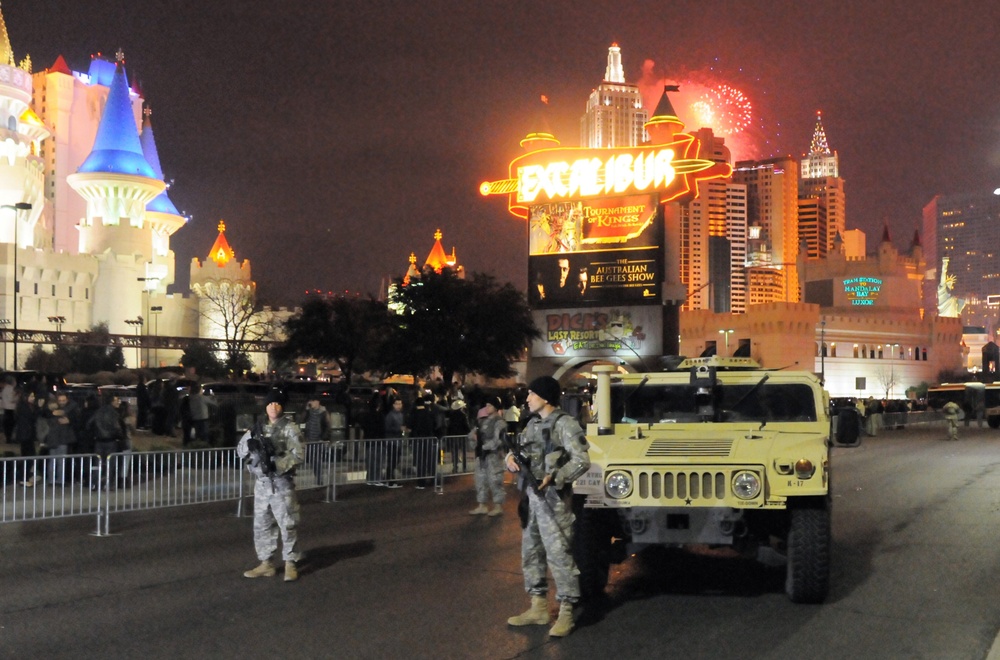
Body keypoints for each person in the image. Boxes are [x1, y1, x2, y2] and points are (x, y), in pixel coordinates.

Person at [505, 376, 591, 638]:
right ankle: (538, 607)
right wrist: (510, 459)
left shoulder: (565, 424)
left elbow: (582, 461)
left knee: (559, 554)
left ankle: (566, 611)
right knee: (531, 551)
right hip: (531, 499)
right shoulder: (532, 425)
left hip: (554, 500)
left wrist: (556, 477)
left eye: (531, 394)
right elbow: (519, 451)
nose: (527, 398)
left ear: (544, 397)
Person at [237, 391, 304, 581]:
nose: (273, 407)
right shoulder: (257, 428)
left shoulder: (290, 428)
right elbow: (240, 451)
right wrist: (250, 447)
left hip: (282, 483)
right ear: (265, 407)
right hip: (262, 485)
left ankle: (291, 563)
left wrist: (278, 464)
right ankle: (266, 563)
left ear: (282, 407)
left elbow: (298, 454)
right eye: (270, 404)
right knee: (262, 525)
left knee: (287, 524)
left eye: (277, 404)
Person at [468, 396, 507, 516]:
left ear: (496, 407)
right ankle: (482, 505)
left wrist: (484, 446)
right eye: (487, 405)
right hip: (482, 456)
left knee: (495, 481)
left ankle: (498, 506)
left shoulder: (499, 422)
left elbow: (498, 440)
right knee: (480, 481)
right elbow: (471, 435)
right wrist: (475, 439)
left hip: (493, 456)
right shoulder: (482, 421)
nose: (487, 407)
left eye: (490, 405)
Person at [408, 395, 438, 489]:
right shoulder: (429, 413)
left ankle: (421, 482)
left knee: (420, 461)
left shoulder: (414, 414)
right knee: (430, 460)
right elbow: (435, 424)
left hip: (418, 439)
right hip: (429, 438)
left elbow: (409, 427)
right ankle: (433, 480)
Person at [299, 398, 332, 484]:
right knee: (313, 460)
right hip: (310, 440)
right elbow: (301, 420)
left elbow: (328, 426)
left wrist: (324, 438)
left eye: (313, 401)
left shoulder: (323, 412)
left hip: (319, 440)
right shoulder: (309, 412)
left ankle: (319, 478)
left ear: (318, 402)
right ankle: (317, 476)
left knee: (317, 459)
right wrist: (306, 409)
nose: (311, 403)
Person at [382, 398, 407, 488]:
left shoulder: (400, 414)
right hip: (391, 441)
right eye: (397, 404)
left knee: (395, 460)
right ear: (393, 405)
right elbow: (387, 428)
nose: (399, 406)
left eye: (400, 404)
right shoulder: (390, 415)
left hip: (398, 440)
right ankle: (389, 480)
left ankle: (388, 478)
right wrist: (398, 429)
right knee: (392, 460)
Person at [15, 390, 38, 487]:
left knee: (28, 456)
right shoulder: (24, 407)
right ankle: (23, 478)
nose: (33, 398)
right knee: (28, 456)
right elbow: (32, 417)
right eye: (31, 396)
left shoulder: (24, 406)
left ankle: (24, 476)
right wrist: (39, 408)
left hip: (26, 435)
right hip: (25, 435)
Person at [1, 375, 16, 441]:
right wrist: (17, 397)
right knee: (11, 425)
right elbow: (11, 399)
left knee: (7, 425)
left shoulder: (4, 389)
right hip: (11, 409)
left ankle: (8, 438)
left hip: (6, 409)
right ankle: (10, 438)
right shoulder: (10, 389)